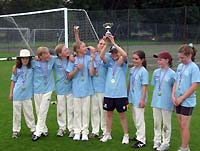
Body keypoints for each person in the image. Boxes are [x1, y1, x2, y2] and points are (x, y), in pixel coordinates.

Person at [99, 35, 129, 144]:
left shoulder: (123, 63)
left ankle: (126, 135)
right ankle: (107, 133)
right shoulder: (109, 63)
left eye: (116, 52)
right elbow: (102, 55)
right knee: (108, 114)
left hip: (120, 94)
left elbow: (125, 55)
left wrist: (114, 42)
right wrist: (107, 44)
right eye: (112, 53)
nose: (114, 54)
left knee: (122, 116)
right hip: (109, 94)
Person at [67, 29, 95, 141]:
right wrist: (76, 70)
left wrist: (92, 61)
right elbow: (69, 76)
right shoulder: (73, 60)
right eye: (83, 47)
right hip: (76, 90)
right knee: (77, 112)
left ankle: (85, 132)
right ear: (78, 49)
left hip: (87, 90)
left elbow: (92, 73)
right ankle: (77, 131)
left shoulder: (88, 58)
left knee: (85, 112)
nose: (85, 48)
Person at [171, 44, 200, 151]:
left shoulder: (194, 68)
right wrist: (173, 95)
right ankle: (185, 146)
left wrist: (182, 98)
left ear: (190, 55)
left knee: (184, 125)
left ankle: (184, 148)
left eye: (182, 57)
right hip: (177, 100)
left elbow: (194, 86)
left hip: (187, 101)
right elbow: (175, 81)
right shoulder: (180, 66)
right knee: (180, 125)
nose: (180, 59)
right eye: (180, 57)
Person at [9, 49, 36, 138]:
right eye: (23, 58)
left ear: (29, 59)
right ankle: (15, 131)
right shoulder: (16, 68)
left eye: (27, 58)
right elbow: (13, 81)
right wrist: (11, 93)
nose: (25, 60)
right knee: (16, 113)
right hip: (17, 94)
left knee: (29, 113)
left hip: (27, 95)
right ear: (20, 59)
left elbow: (39, 59)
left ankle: (33, 129)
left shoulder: (32, 66)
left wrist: (35, 58)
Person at [151, 51, 175, 150]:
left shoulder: (173, 74)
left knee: (166, 124)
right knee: (156, 123)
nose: (158, 61)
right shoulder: (156, 72)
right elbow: (154, 85)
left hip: (167, 103)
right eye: (158, 59)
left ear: (167, 60)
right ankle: (157, 140)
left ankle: (166, 142)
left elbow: (174, 89)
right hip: (156, 101)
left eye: (160, 59)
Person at [31, 46, 55, 141]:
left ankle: (37, 132)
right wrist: (34, 58)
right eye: (45, 53)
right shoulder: (34, 63)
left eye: (48, 53)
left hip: (48, 89)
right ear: (40, 56)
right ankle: (44, 129)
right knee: (38, 111)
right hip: (37, 90)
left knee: (43, 110)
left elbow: (64, 56)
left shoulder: (52, 60)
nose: (48, 54)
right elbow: (23, 63)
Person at [128, 50, 148, 148]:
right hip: (132, 97)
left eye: (136, 59)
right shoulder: (132, 70)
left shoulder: (143, 71)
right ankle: (138, 135)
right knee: (135, 118)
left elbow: (144, 86)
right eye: (133, 58)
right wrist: (127, 96)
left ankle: (142, 140)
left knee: (140, 119)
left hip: (139, 98)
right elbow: (129, 83)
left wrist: (142, 99)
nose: (134, 61)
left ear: (142, 60)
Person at [54, 44, 74, 137]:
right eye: (65, 50)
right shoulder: (55, 61)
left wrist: (72, 56)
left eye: (67, 49)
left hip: (70, 88)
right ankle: (61, 128)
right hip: (60, 89)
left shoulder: (71, 60)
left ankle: (71, 128)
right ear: (59, 53)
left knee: (71, 109)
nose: (67, 51)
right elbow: (46, 59)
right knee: (60, 109)